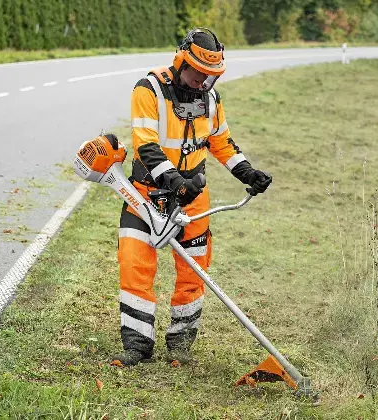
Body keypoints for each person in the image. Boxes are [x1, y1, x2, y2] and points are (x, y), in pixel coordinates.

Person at [110, 27, 272, 367]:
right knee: (134, 265)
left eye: (210, 76)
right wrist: (175, 182)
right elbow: (146, 145)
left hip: (193, 201)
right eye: (198, 73)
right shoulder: (149, 89)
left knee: (193, 271)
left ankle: (181, 344)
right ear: (181, 61)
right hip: (145, 196)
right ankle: (137, 346)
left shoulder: (210, 100)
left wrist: (248, 173)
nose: (203, 81)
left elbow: (222, 143)